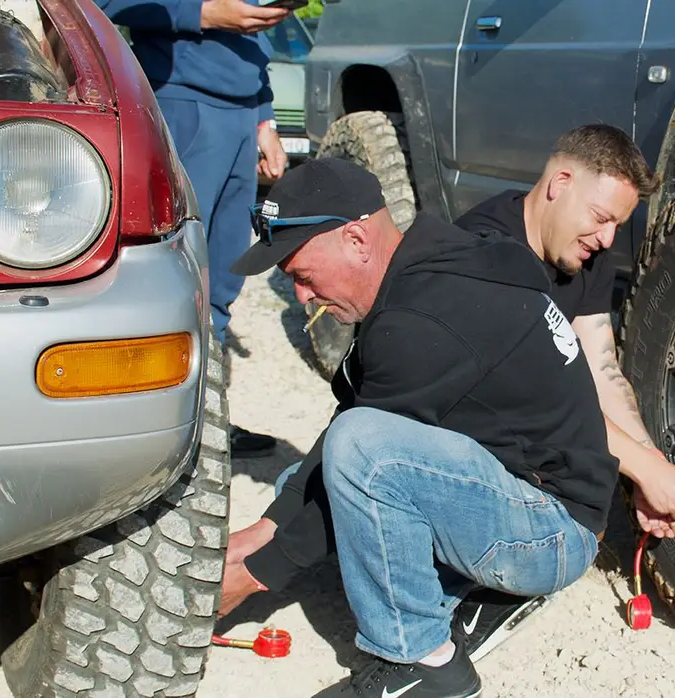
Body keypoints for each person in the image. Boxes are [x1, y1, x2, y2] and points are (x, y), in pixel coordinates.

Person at [223, 157, 621, 697]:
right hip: (524, 492)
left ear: (357, 241)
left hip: (553, 531)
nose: (301, 296)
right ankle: (467, 590)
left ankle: (422, 662)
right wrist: (262, 534)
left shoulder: (421, 321)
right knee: (307, 478)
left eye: (300, 274)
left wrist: (250, 577)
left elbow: (358, 444)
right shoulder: (430, 260)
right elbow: (348, 426)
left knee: (361, 455)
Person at [446, 123, 675, 653]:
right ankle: (477, 590)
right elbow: (536, 396)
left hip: (523, 429)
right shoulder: (485, 250)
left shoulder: (582, 254)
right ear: (560, 181)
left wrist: (646, 466)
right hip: (462, 439)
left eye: (617, 224)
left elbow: (600, 369)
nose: (608, 238)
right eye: (601, 218)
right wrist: (646, 470)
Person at [95, 0, 288, 457]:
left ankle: (208, 421)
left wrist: (264, 118)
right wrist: (202, 14)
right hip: (186, 104)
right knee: (178, 272)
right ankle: (155, 429)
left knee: (223, 276)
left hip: (241, 116)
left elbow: (251, 41)